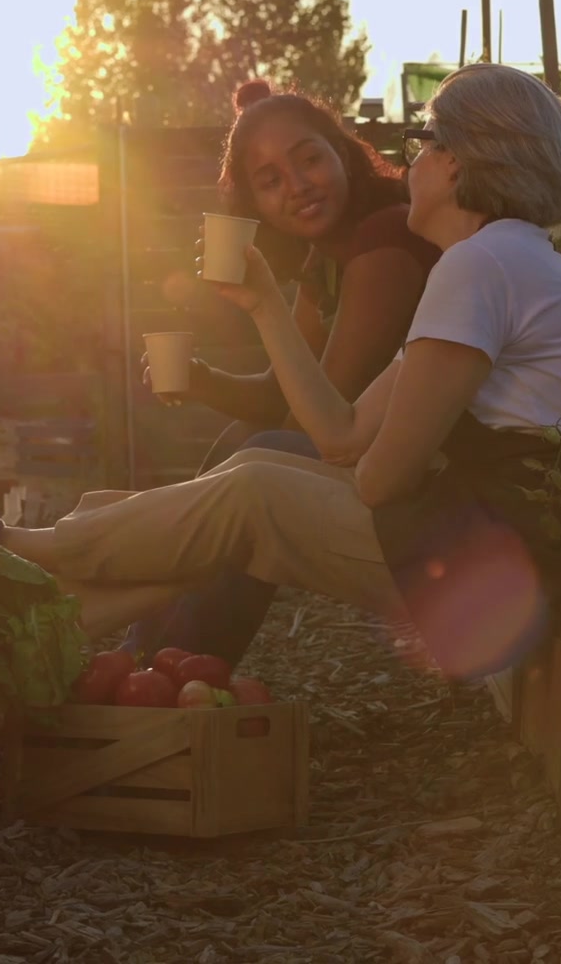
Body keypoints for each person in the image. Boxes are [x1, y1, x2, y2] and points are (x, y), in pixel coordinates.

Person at [0, 63, 561, 680]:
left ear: (458, 163)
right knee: (245, 488)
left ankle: (19, 547)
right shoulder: (502, 259)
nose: (411, 163)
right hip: (526, 551)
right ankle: (41, 614)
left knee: (253, 494)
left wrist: (324, 479)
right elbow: (340, 434)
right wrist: (262, 303)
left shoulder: (481, 265)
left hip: (525, 568)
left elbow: (378, 479)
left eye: (422, 146)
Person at [121, 79, 441, 664]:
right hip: (370, 463)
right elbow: (281, 396)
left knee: (256, 466)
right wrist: (201, 380)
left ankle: (174, 667)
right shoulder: (327, 260)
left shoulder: (385, 241)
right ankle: (150, 659)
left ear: (341, 153)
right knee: (243, 444)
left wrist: (262, 305)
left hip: (428, 488)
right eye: (270, 181)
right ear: (254, 205)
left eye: (308, 160)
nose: (297, 186)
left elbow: (317, 422)